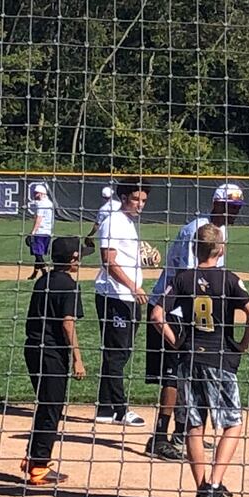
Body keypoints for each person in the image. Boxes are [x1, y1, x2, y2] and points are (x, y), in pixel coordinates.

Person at [151, 224, 249, 497]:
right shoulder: (229, 279)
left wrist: (177, 343)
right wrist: (242, 345)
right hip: (220, 359)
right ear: (220, 249)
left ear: (194, 248)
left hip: (189, 361)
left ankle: (202, 491)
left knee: (193, 427)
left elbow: (157, 315)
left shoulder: (183, 278)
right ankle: (214, 483)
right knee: (232, 423)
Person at [146, 182, 245, 459]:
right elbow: (190, 280)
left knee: (193, 373)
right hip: (172, 310)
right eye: (231, 207)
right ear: (216, 204)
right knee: (175, 374)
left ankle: (183, 433)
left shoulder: (218, 230)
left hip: (189, 310)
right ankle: (160, 436)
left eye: (237, 208)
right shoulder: (197, 230)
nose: (235, 213)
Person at [21, 235, 86, 486]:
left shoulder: (43, 281)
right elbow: (68, 324)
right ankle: (38, 467)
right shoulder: (69, 285)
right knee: (51, 407)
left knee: (45, 404)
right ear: (73, 259)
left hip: (33, 349)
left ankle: (34, 457)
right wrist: (77, 359)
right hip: (51, 353)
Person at [92, 180, 149, 427]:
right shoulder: (113, 221)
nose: (140, 205)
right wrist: (133, 286)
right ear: (123, 197)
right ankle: (120, 409)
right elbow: (108, 260)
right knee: (117, 354)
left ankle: (105, 409)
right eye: (136, 199)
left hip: (124, 296)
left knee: (119, 353)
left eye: (144, 200)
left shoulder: (127, 222)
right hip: (115, 296)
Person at [25, 182, 56, 278]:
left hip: (40, 232)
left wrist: (32, 232)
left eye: (37, 193)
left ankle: (45, 273)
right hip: (47, 232)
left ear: (42, 193)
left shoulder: (42, 204)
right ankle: (34, 274)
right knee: (38, 254)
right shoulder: (49, 203)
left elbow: (39, 219)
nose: (35, 195)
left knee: (38, 254)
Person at [83, 184, 117, 255]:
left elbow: (97, 225)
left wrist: (90, 234)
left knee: (107, 253)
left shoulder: (103, 209)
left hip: (108, 233)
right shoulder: (119, 205)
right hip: (119, 231)